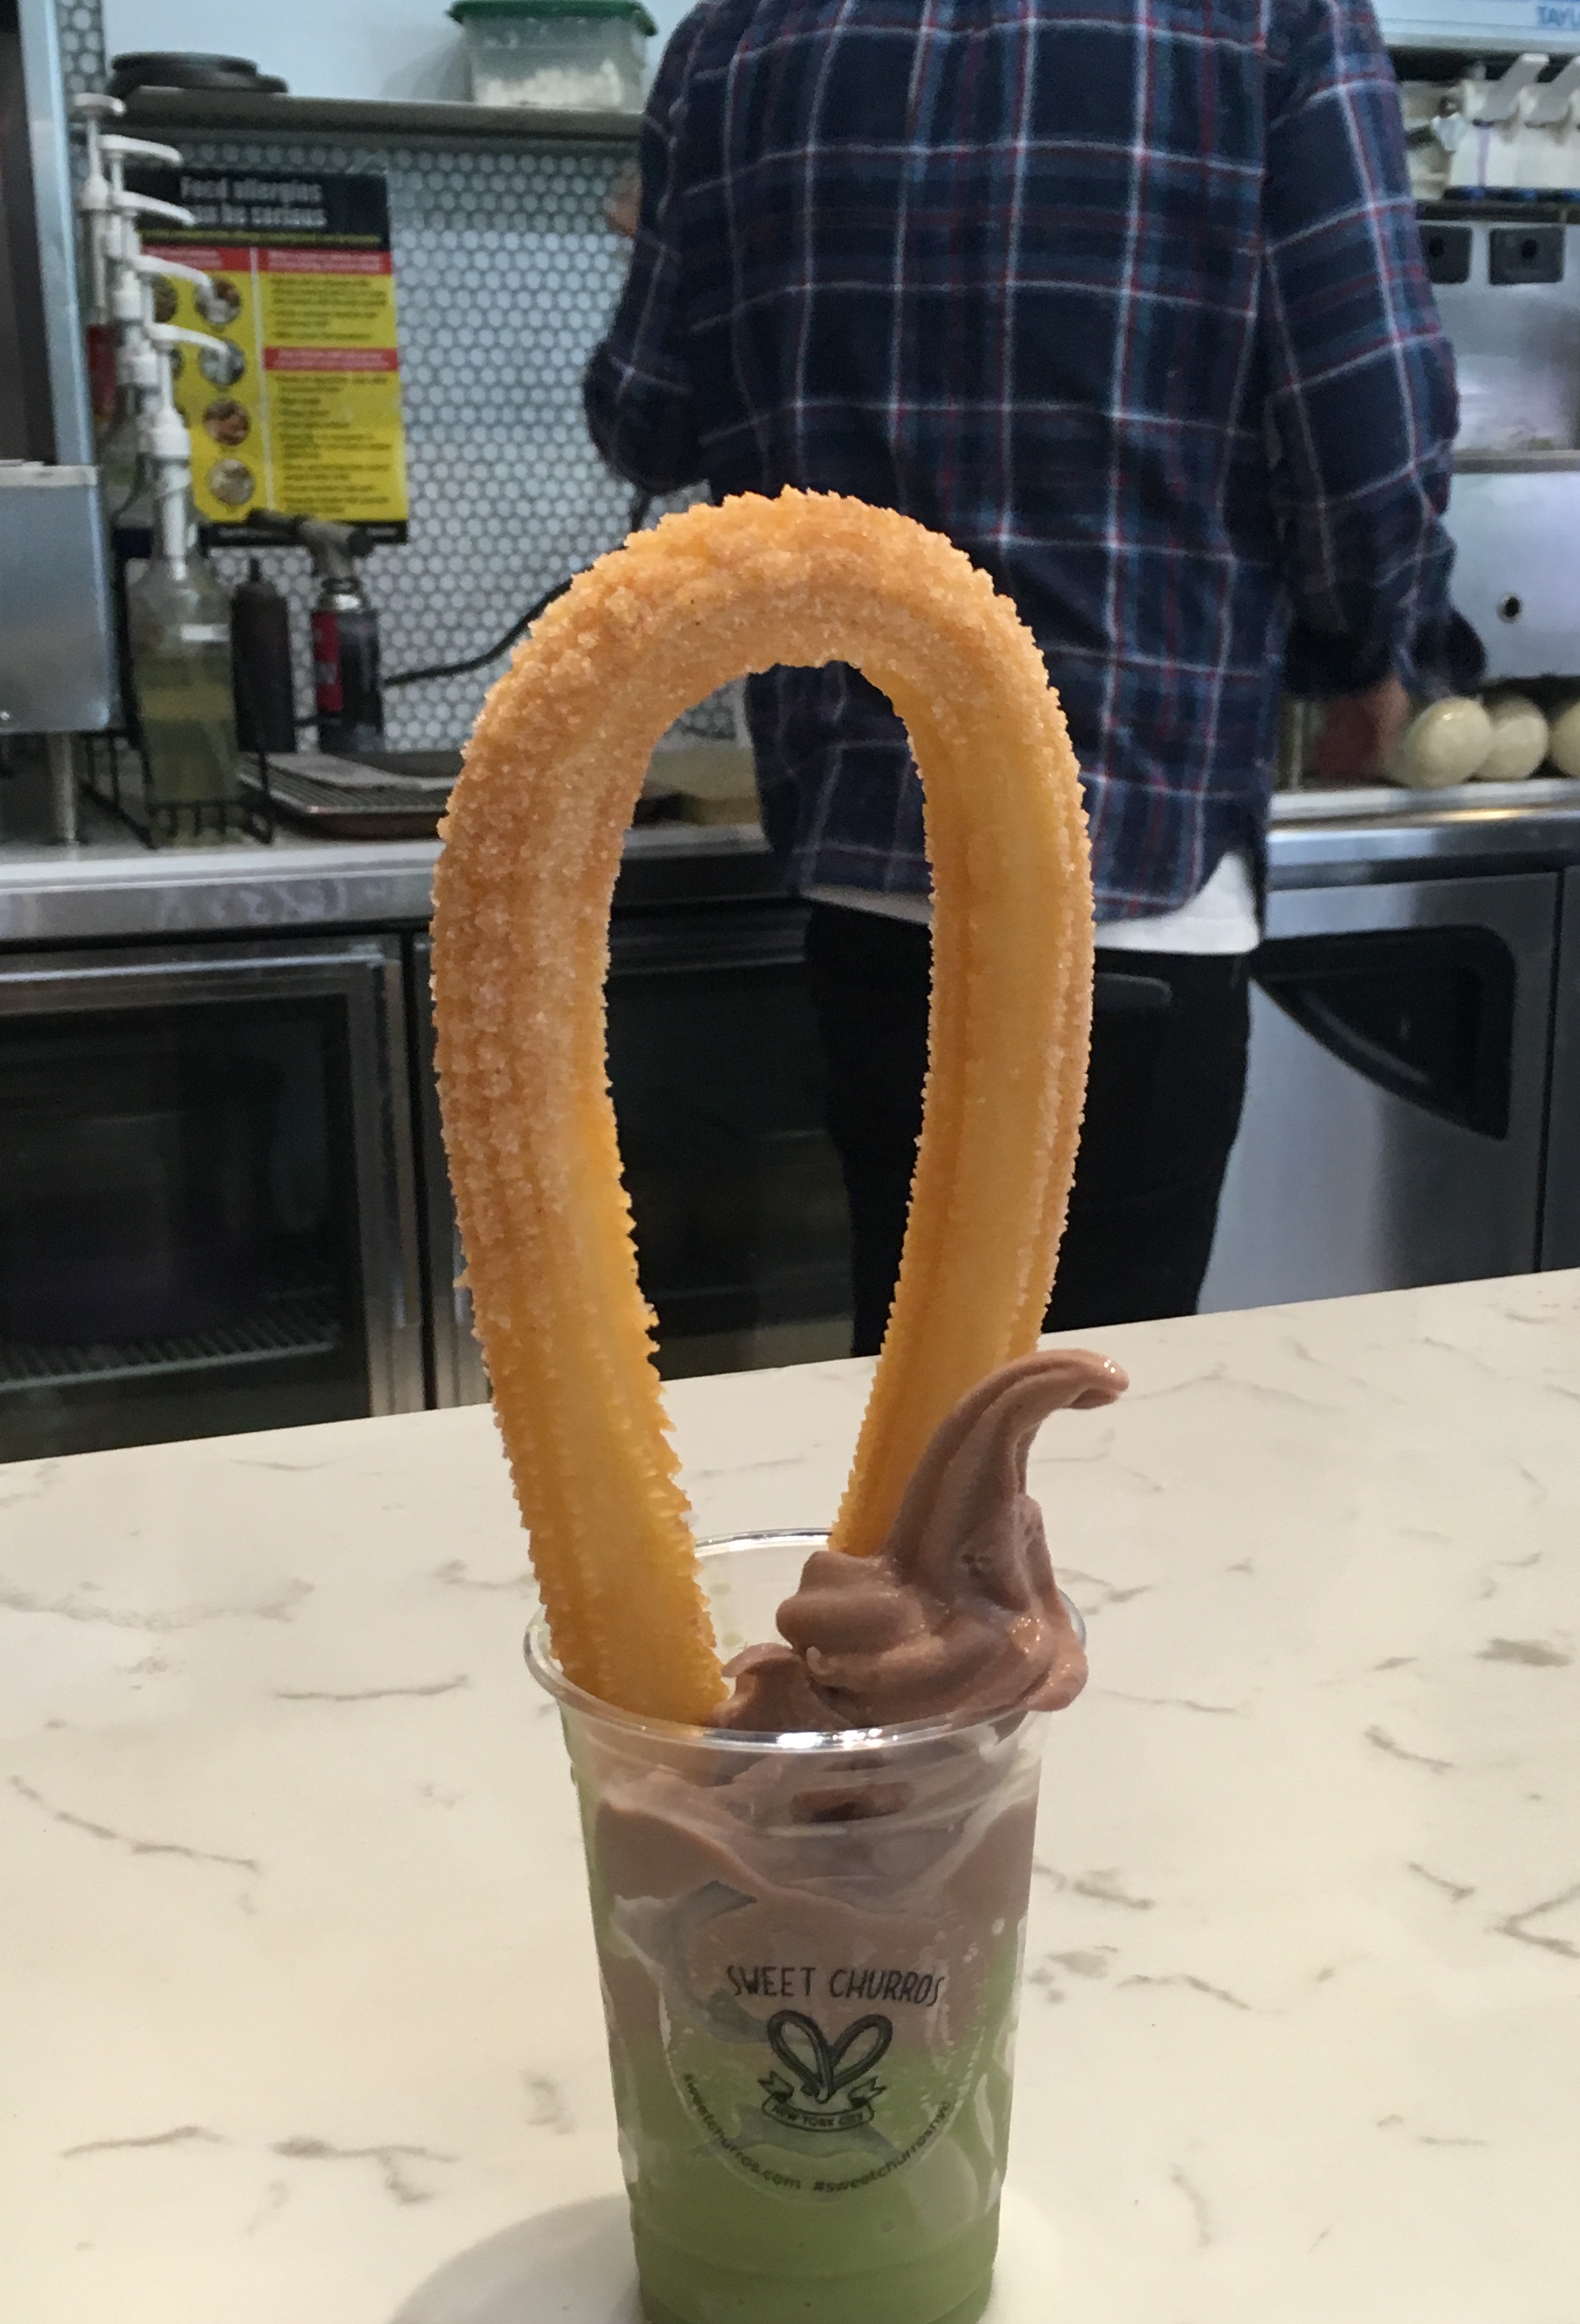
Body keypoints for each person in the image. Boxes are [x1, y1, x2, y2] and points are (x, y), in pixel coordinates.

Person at [587, 0, 1459, 1350]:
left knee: (913, 1407)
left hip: (869, 866)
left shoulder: (734, 40)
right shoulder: (1269, 23)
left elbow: (647, 421)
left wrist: (664, 224)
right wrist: (1366, 655)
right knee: (1082, 1438)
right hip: (1133, 866)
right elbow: (1367, 436)